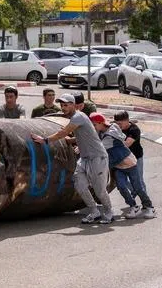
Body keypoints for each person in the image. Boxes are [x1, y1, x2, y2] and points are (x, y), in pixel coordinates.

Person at [31, 94, 114, 225]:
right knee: (79, 185)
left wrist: (44, 140)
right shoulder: (74, 118)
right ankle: (94, 211)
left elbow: (63, 132)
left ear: (73, 105)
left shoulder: (78, 117)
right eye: (62, 105)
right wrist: (71, 140)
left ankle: (109, 212)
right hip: (85, 159)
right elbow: (84, 134)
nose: (63, 108)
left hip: (97, 157)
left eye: (66, 105)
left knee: (99, 190)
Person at [91, 113, 151, 219]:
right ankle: (133, 206)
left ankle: (149, 207)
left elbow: (98, 148)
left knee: (138, 187)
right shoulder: (106, 130)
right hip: (118, 165)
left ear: (100, 123)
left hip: (130, 163)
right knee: (121, 186)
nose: (93, 127)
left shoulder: (110, 135)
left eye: (94, 125)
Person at [114, 111, 154, 218]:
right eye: (116, 123)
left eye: (120, 123)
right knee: (123, 183)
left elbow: (127, 144)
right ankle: (136, 195)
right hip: (121, 160)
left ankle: (146, 204)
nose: (118, 125)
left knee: (139, 181)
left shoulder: (134, 129)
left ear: (127, 120)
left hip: (136, 158)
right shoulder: (115, 128)